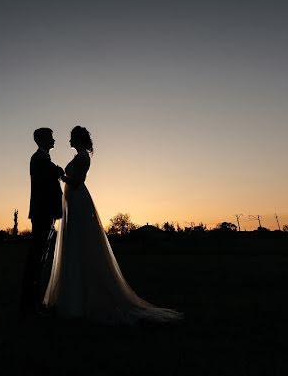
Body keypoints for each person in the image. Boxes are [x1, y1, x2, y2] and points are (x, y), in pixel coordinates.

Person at [43, 126, 183, 325]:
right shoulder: (79, 156)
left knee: (80, 244)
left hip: (78, 201)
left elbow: (76, 183)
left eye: (71, 138)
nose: (69, 141)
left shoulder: (83, 157)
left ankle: (79, 302)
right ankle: (73, 298)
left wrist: (60, 175)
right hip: (73, 202)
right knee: (73, 246)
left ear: (78, 139)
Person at [20, 127, 65, 315]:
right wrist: (58, 170)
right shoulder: (38, 159)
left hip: (47, 213)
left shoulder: (43, 159)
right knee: (36, 258)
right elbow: (52, 173)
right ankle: (30, 305)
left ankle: (34, 303)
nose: (54, 140)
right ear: (42, 140)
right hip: (42, 214)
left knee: (41, 258)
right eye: (51, 137)